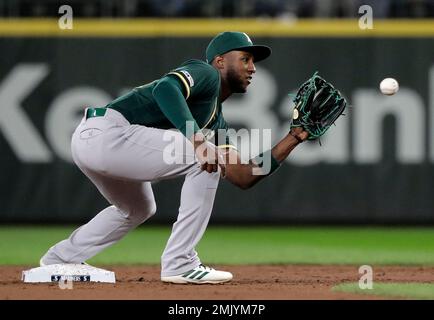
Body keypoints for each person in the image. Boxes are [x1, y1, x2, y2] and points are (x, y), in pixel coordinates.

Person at [39, 31, 309, 284]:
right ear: (219, 61)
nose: (252, 68)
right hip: (107, 133)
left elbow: (243, 176)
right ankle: (180, 262)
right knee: (204, 157)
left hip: (96, 142)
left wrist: (294, 138)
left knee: (138, 208)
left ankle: (60, 259)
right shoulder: (206, 73)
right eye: (245, 59)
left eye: (253, 62)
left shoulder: (216, 121)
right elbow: (166, 88)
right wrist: (199, 140)